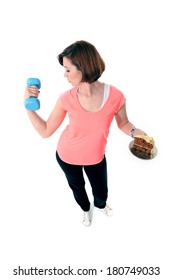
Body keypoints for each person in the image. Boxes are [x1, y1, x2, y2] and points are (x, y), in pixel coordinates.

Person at [24, 40, 146, 227]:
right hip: (67, 156)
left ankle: (101, 205)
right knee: (77, 187)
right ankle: (85, 210)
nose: (64, 75)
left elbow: (124, 123)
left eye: (67, 70)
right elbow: (46, 131)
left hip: (96, 157)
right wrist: (29, 108)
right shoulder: (66, 98)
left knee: (101, 190)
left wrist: (135, 133)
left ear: (83, 67)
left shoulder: (115, 96)